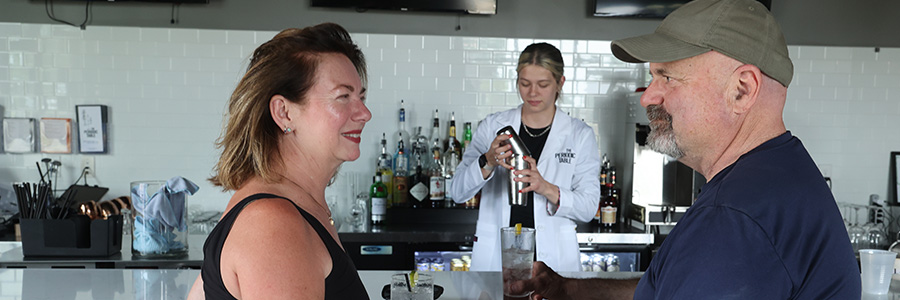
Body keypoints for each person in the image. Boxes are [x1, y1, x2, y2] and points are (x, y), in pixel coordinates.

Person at [510, 0, 861, 299]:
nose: (648, 96)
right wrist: (571, 290)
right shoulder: (778, 173)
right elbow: (669, 285)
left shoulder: (733, 217)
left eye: (667, 77)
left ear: (741, 89)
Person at [187, 23, 372, 299]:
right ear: (284, 113)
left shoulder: (291, 209)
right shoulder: (272, 223)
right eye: (343, 97)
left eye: (361, 97)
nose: (364, 113)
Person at [450, 43, 601, 272]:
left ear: (560, 83)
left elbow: (588, 208)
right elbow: (457, 191)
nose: (532, 93)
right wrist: (487, 161)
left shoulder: (579, 135)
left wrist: (546, 187)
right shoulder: (493, 126)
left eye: (543, 85)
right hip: (496, 260)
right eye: (525, 83)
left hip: (554, 261)